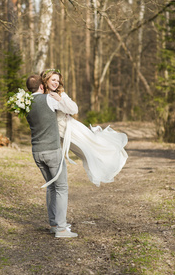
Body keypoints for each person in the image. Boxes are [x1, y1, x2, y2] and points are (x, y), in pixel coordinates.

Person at [40, 69, 128, 187]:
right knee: (83, 154)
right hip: (60, 134)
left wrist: (60, 99)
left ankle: (111, 160)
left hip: (72, 129)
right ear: (46, 80)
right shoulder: (42, 97)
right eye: (53, 80)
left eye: (58, 80)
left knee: (93, 147)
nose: (56, 83)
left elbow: (74, 109)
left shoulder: (61, 95)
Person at [25, 75, 78, 238]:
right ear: (42, 86)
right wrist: (60, 97)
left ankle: (54, 224)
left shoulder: (24, 104)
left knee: (51, 186)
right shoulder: (48, 99)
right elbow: (72, 110)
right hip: (52, 151)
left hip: (37, 152)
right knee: (61, 187)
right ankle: (61, 228)